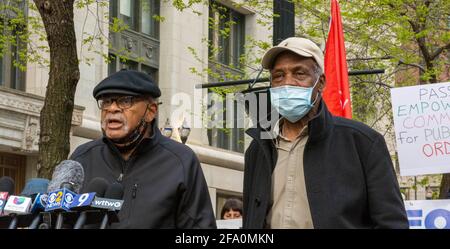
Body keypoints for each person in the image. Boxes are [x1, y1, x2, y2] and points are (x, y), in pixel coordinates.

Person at [243, 37, 408, 229]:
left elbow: (392, 223)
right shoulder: (259, 148)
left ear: (320, 82)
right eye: (278, 75)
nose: (288, 83)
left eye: (299, 73)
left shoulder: (362, 143)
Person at [70, 70, 216, 228]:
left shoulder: (181, 161)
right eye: (106, 102)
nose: (112, 108)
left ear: (151, 111)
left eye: (125, 101)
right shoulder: (81, 158)